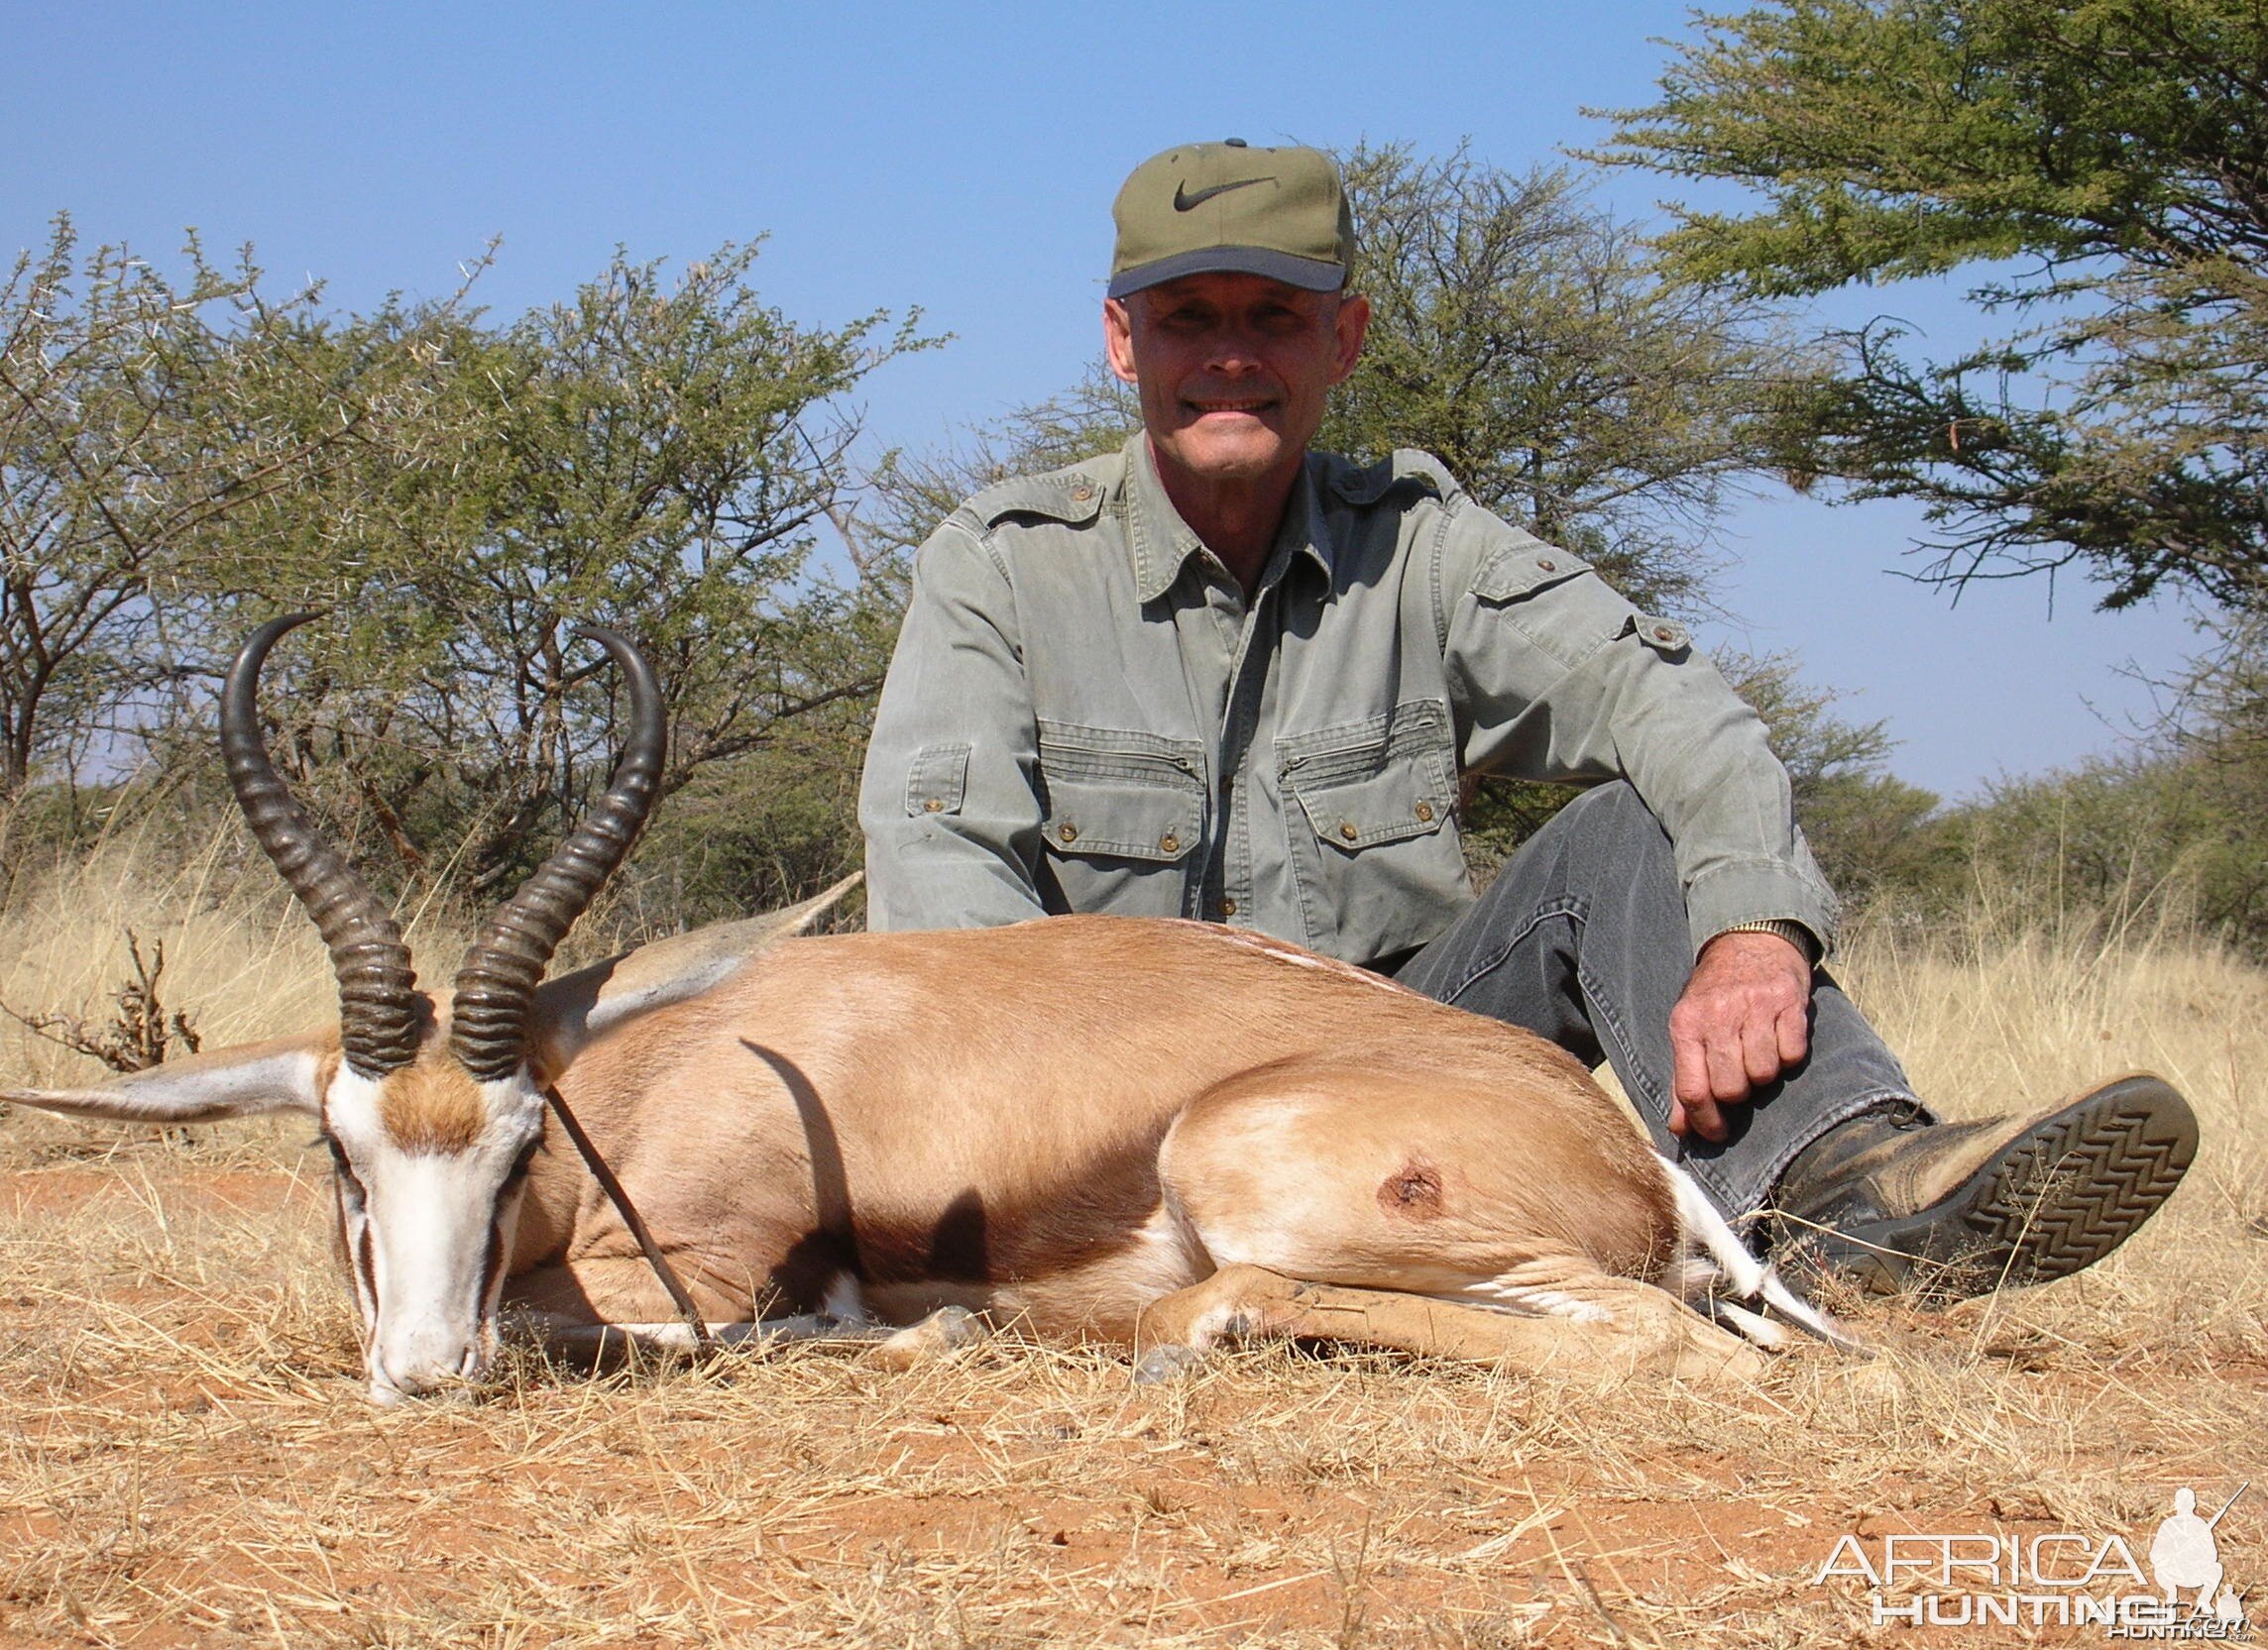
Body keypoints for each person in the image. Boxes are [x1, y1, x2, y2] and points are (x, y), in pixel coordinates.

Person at [857, 139, 2201, 1299]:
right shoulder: (1002, 563)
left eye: (1273, 316)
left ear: (1344, 339)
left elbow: (1672, 705)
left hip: (1391, 1065)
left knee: (1626, 834)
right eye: (1187, 314)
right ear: (1119, 340)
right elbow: (944, 918)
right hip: (1099, 1124)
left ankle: (1845, 1200)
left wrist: (1751, 932)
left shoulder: (1424, 544)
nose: (1229, 355)